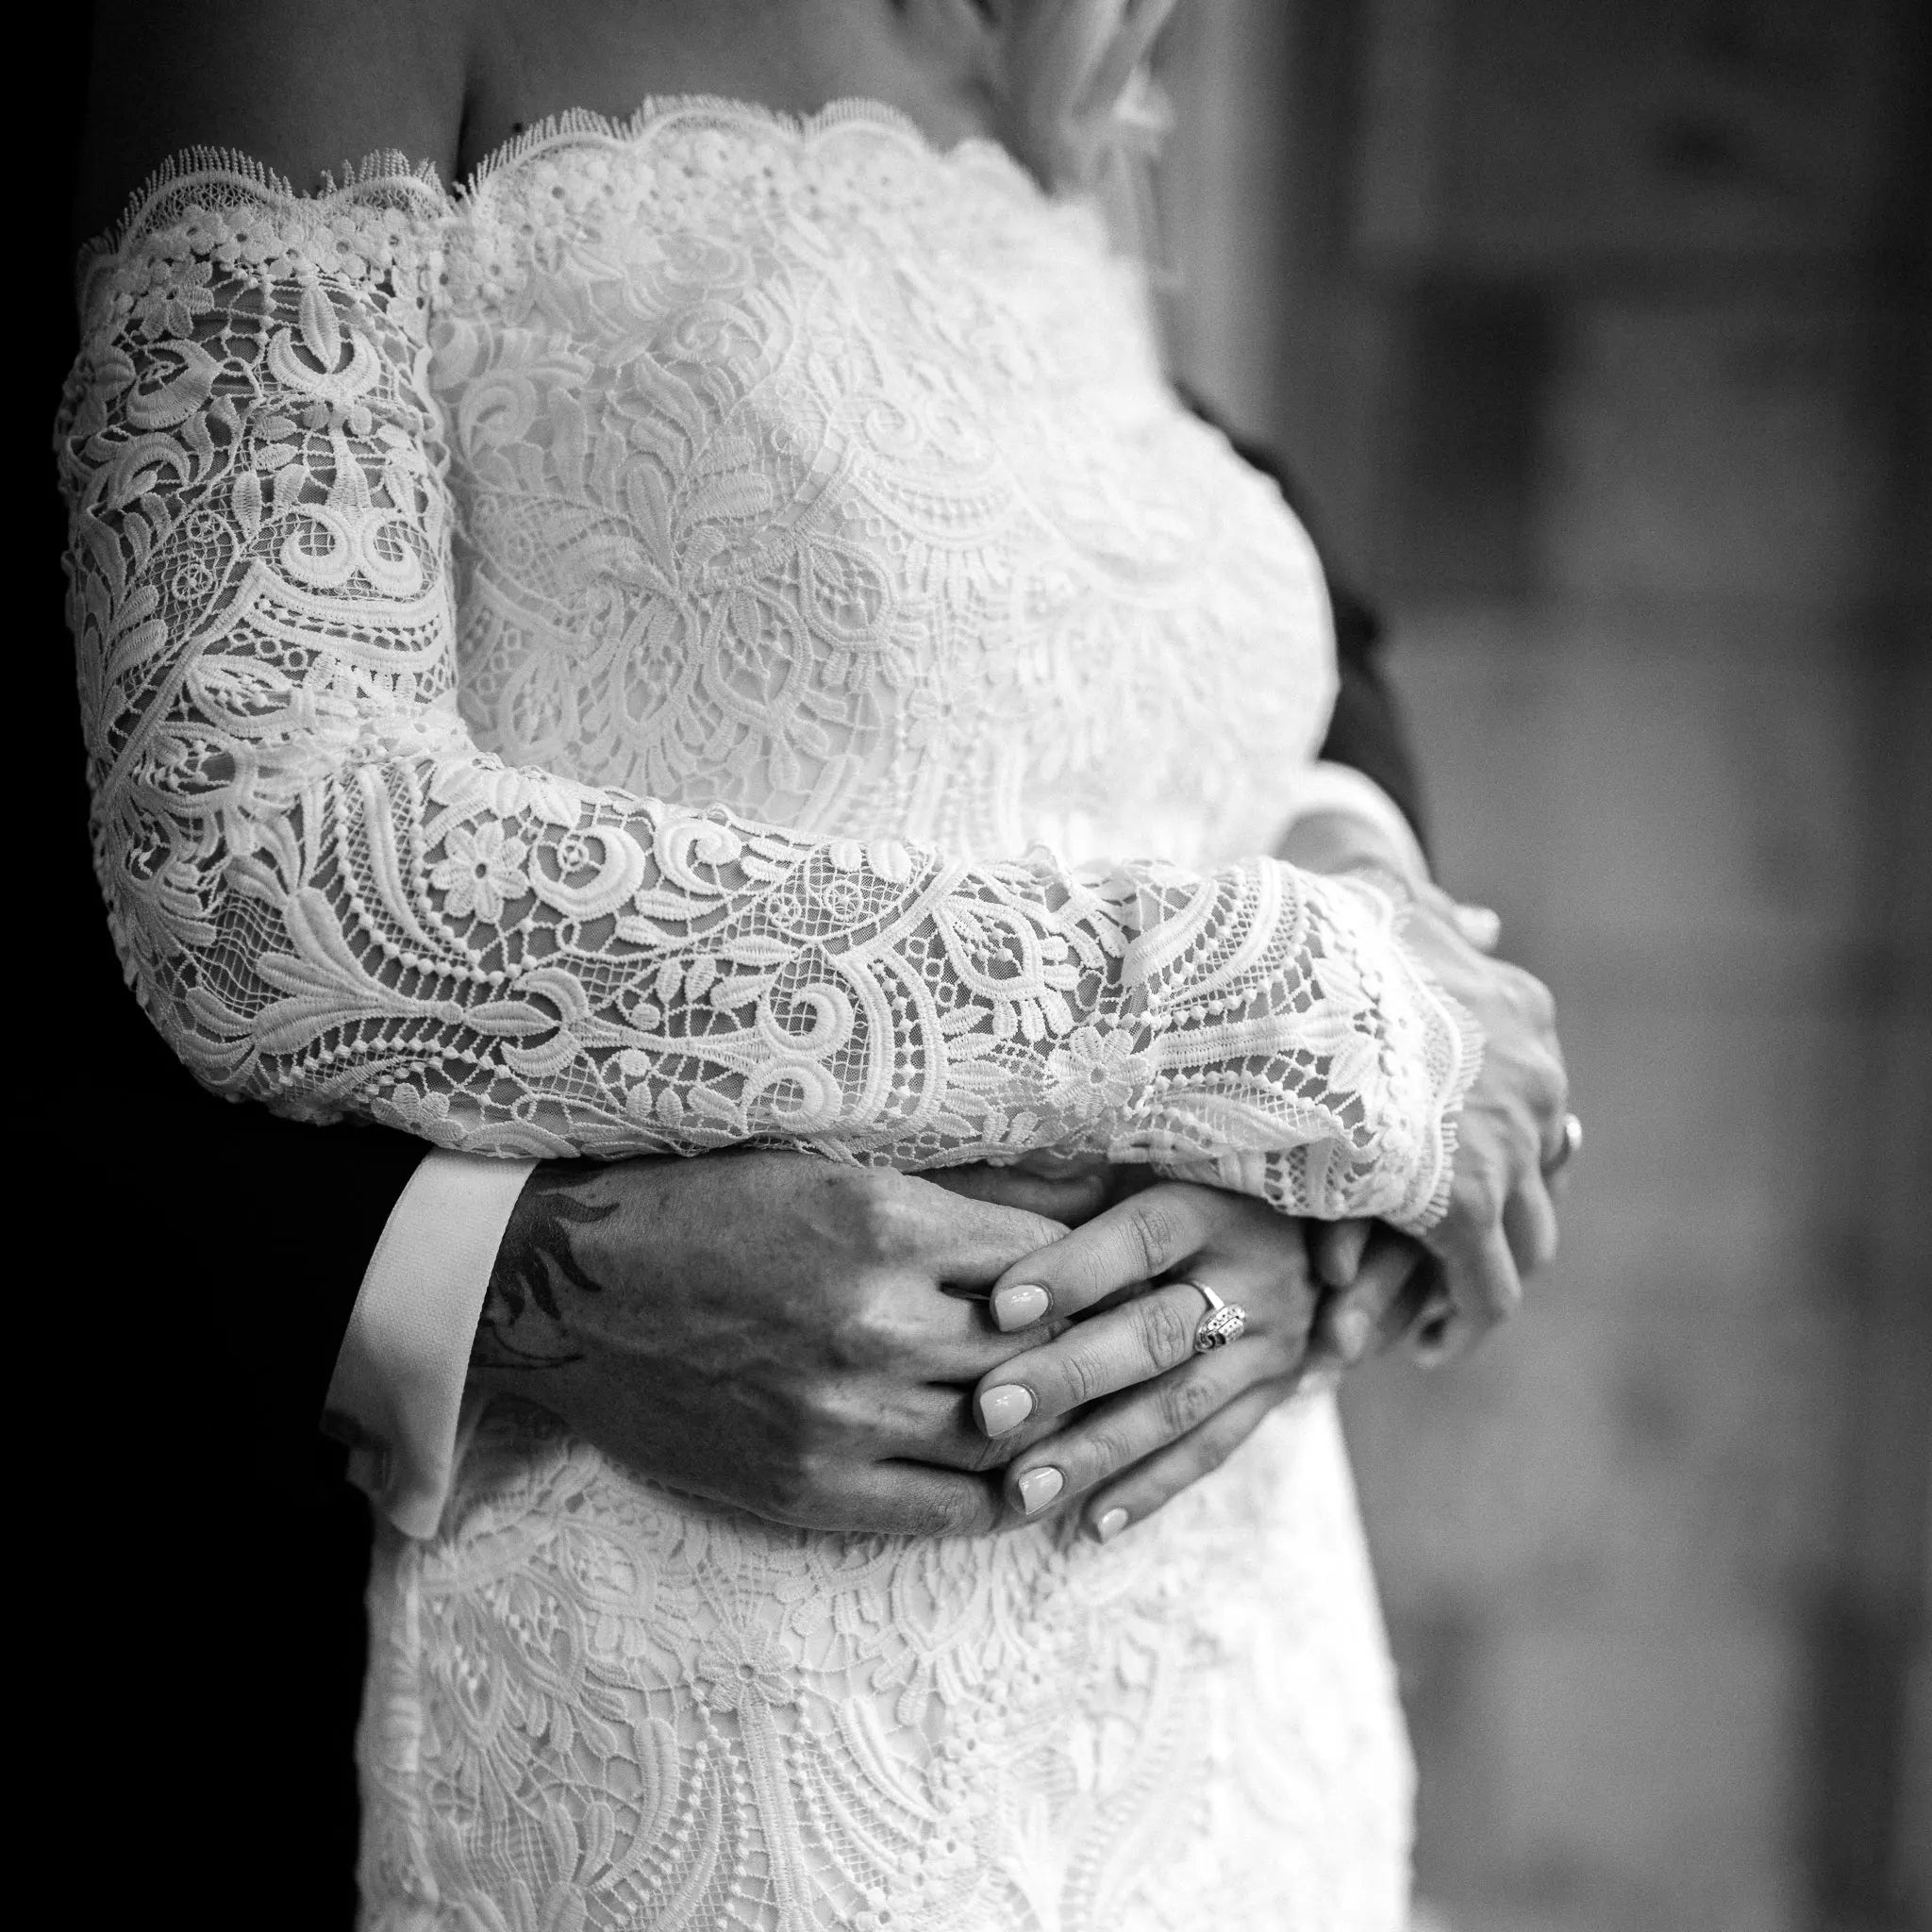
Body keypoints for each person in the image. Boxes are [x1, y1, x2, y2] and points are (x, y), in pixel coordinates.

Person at [60, 2, 1569, 1924]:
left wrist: (1318, 1096)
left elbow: (1163, 655)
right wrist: (1288, 1014)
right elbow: (266, 860)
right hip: (721, 1715)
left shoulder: (1041, 63)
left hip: (1235, 1694)